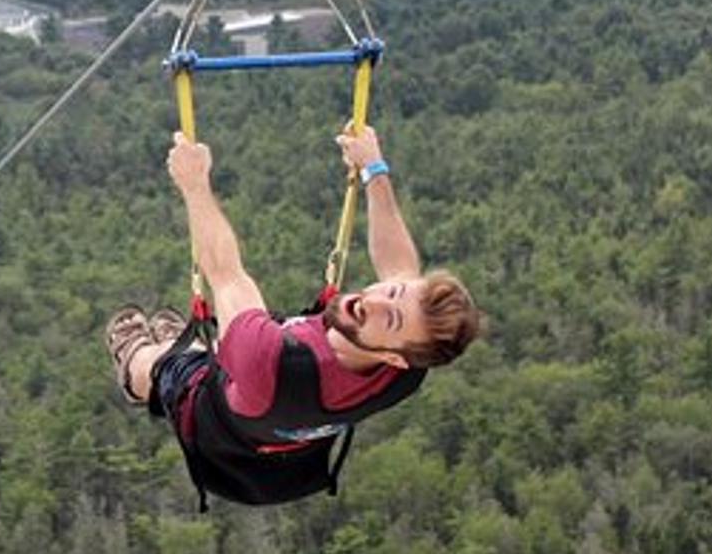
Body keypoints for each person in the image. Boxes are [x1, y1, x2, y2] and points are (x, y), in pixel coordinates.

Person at [109, 126, 483, 507]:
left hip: (220, 428)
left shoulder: (268, 360)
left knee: (170, 366)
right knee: (233, 340)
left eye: (390, 320)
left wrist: (194, 184)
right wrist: (374, 167)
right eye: (394, 294)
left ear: (393, 357)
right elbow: (400, 267)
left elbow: (225, 273)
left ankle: (137, 360)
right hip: (289, 442)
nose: (375, 301)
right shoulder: (412, 360)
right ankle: (211, 344)